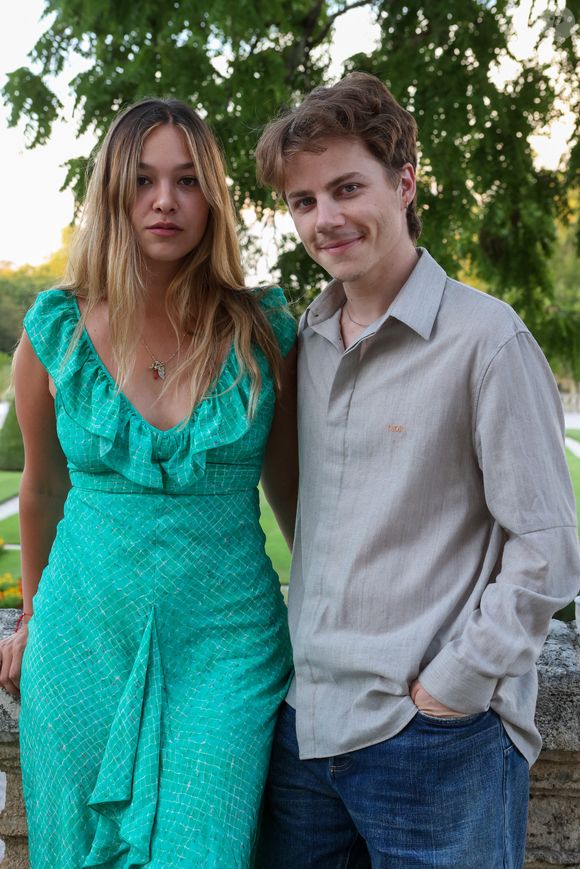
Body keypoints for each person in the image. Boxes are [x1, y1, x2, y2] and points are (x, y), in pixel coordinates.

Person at [254, 72, 580, 868]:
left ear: (404, 182)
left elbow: (548, 548)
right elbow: (314, 510)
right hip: (306, 727)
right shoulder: (310, 338)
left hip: (435, 743)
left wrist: (452, 688)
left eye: (346, 188)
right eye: (303, 201)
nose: (324, 219)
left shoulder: (485, 339)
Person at [0, 98, 297, 868]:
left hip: (227, 645)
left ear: (215, 199)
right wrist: (31, 616)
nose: (164, 201)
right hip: (81, 641)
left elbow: (295, 493)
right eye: (142, 180)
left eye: (188, 180)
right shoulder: (55, 331)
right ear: (111, 193)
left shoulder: (265, 332)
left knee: (206, 847)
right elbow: (41, 491)